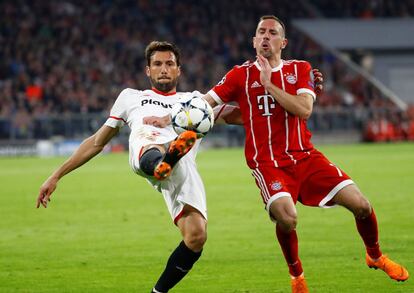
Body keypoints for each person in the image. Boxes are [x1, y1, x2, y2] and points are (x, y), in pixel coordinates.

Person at [202, 15, 410, 292]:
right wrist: (173, 116)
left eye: (272, 32)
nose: (266, 36)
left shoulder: (300, 69)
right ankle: (297, 276)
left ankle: (375, 256)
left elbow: (304, 109)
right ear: (253, 41)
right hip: (268, 164)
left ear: (283, 42)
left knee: (362, 205)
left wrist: (269, 84)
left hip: (306, 157)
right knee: (287, 217)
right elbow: (205, 104)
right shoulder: (239, 75)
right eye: (260, 32)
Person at [36, 41, 209, 293]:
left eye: (169, 64)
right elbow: (97, 142)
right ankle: (165, 157)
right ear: (147, 71)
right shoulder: (131, 97)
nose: (163, 69)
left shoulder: (193, 101)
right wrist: (56, 175)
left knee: (196, 237)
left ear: (179, 70)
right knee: (154, 147)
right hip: (147, 151)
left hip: (181, 166)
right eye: (157, 64)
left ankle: (157, 292)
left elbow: (228, 113)